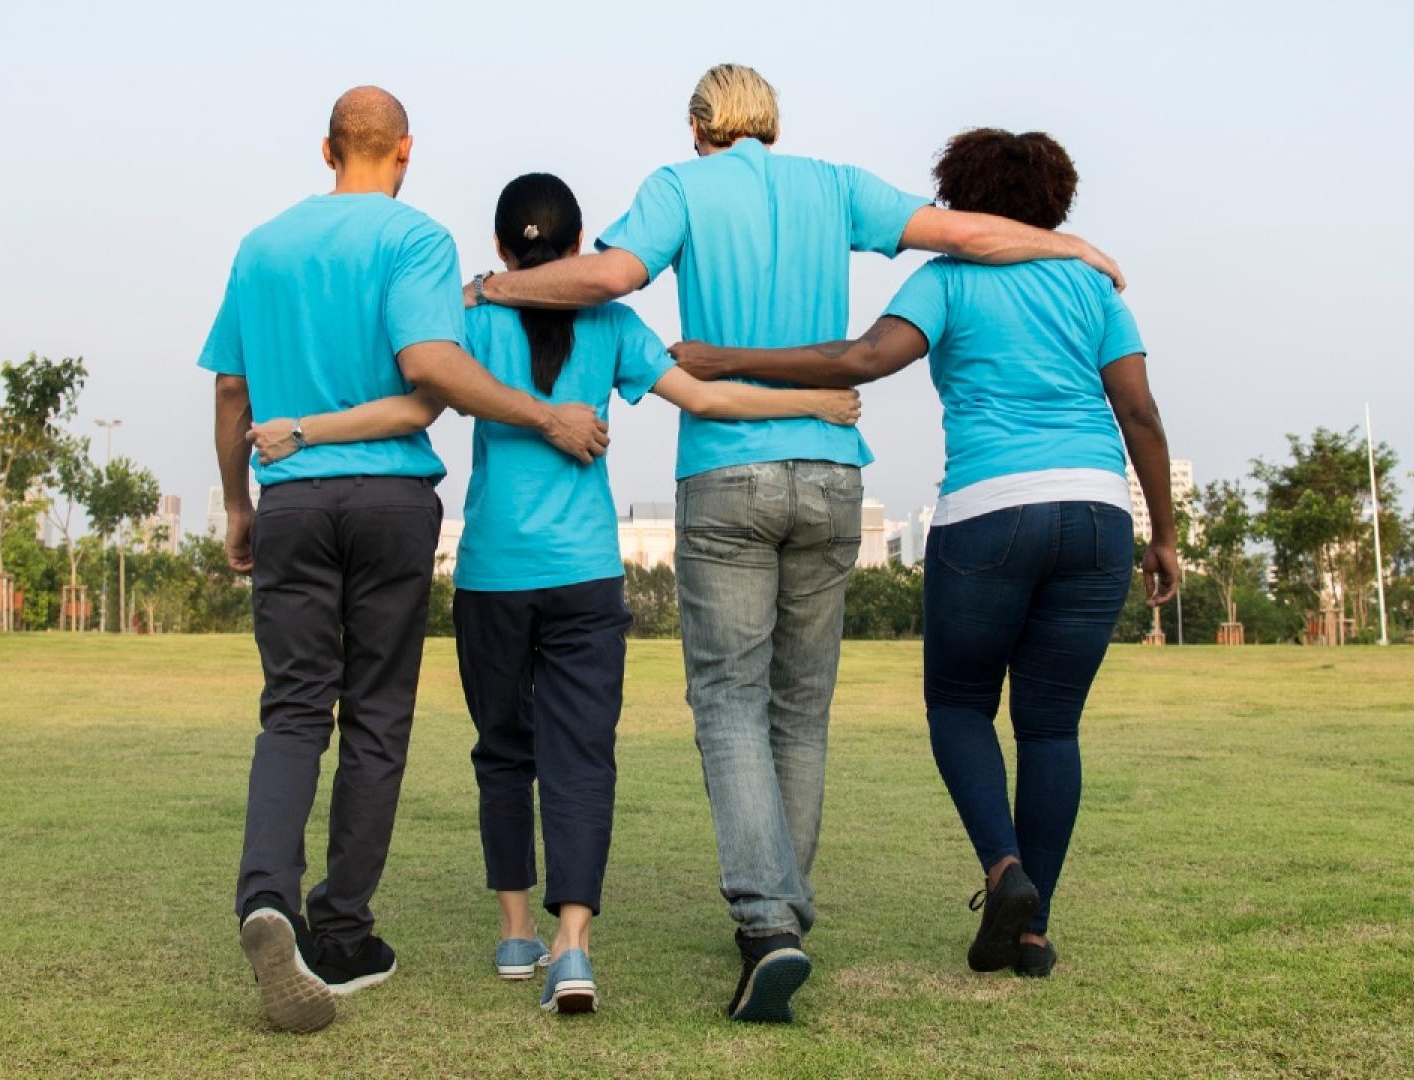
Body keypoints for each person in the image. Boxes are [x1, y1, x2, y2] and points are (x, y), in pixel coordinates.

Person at [467, 63, 1127, 1022]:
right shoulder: (839, 185)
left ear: (700, 123)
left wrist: (491, 284)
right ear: (770, 121)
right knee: (801, 708)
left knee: (730, 700)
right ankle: (785, 913)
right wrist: (1073, 246)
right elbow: (964, 231)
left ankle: (768, 924)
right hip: (830, 472)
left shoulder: (680, 187)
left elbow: (611, 277)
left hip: (726, 473)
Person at [247, 172, 861, 1015]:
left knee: (503, 753)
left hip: (492, 575)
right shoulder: (612, 322)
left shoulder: (465, 319)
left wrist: (306, 427)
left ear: (503, 249)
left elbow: (409, 399)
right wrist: (817, 404)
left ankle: (514, 934)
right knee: (582, 757)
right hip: (584, 576)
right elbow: (709, 399)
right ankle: (573, 948)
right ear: (577, 251)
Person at [670, 127, 1180, 981]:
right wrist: (1162, 533)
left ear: (962, 197)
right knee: (1051, 726)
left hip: (990, 511)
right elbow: (1141, 414)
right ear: (1057, 202)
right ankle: (1029, 932)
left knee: (958, 706)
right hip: (1097, 514)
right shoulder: (1094, 286)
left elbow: (863, 360)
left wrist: (729, 359)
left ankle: (1004, 870)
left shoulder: (948, 279)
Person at [200, 87, 608, 1034]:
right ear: (406, 151)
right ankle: (342, 932)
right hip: (390, 501)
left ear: (327, 148)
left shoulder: (260, 246)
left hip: (292, 496)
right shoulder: (416, 241)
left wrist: (235, 500)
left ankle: (269, 898)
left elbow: (231, 390)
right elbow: (430, 369)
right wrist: (546, 413)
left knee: (293, 709)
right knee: (377, 716)